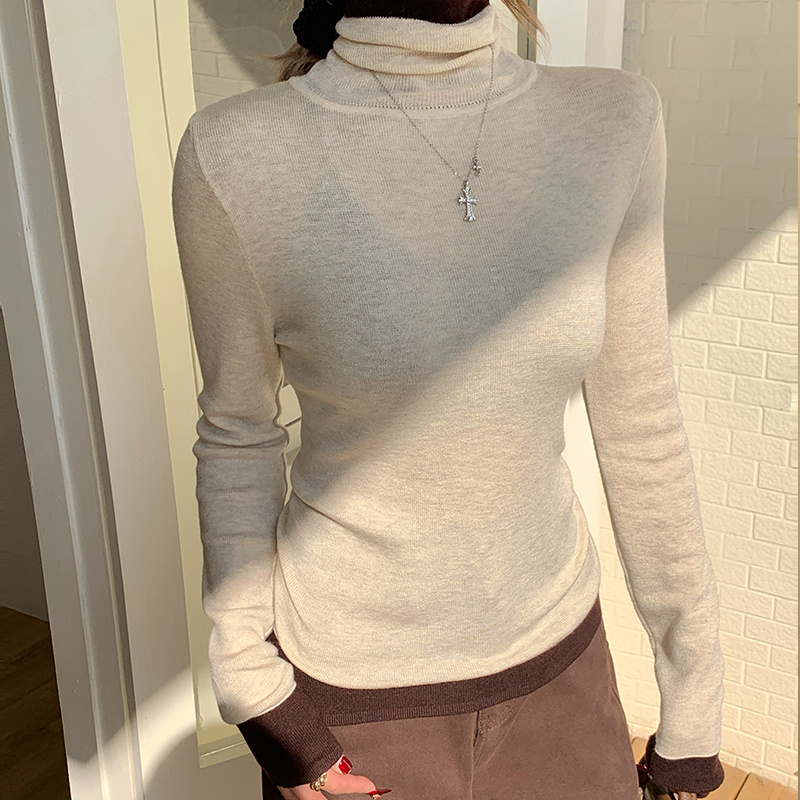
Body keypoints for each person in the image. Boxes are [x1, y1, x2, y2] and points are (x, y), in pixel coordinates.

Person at [170, 1, 727, 798]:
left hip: (563, 672)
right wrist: (253, 684)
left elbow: (641, 423)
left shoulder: (613, 120)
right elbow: (238, 430)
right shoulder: (233, 153)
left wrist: (694, 698)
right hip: (349, 702)